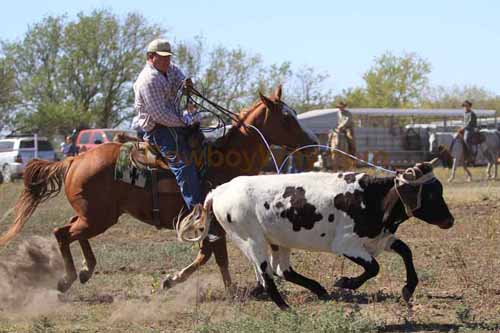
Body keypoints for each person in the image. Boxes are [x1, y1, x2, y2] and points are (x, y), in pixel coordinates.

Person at [133, 38, 203, 212]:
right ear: (150, 57)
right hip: (158, 130)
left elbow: (181, 78)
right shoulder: (148, 80)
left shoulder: (169, 68)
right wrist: (186, 121)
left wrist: (187, 83)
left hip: (174, 123)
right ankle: (197, 212)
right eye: (162, 57)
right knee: (184, 166)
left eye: (168, 57)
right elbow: (160, 116)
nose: (167, 61)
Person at [329, 101, 356, 171]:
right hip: (339, 128)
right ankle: (328, 148)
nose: (340, 108)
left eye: (341, 107)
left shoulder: (348, 113)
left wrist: (341, 126)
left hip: (347, 128)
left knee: (350, 138)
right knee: (330, 134)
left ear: (344, 107)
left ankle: (352, 151)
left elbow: (347, 121)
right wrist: (338, 127)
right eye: (339, 107)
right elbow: (339, 121)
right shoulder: (338, 113)